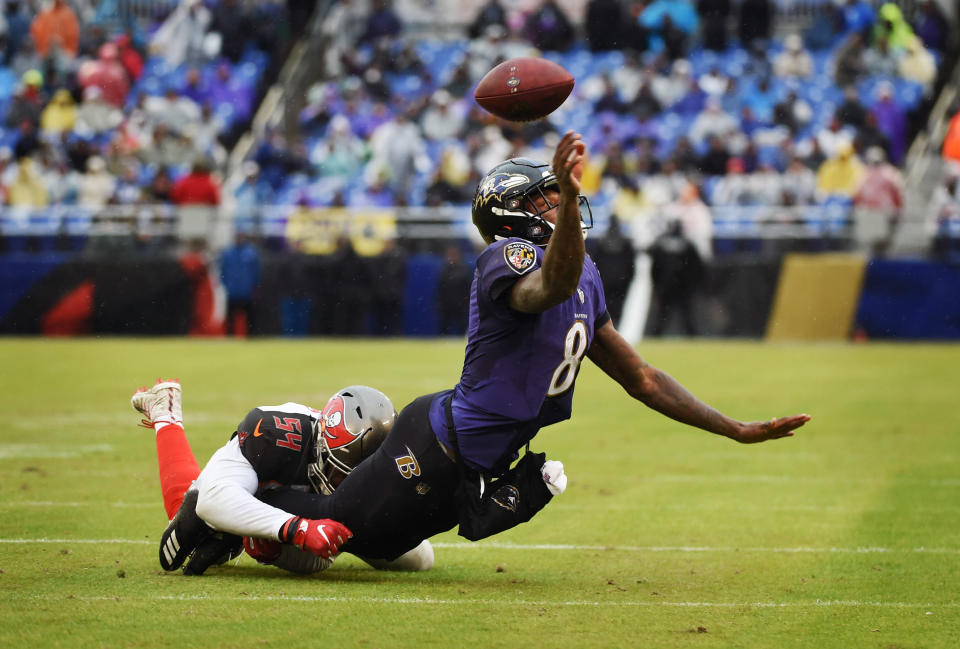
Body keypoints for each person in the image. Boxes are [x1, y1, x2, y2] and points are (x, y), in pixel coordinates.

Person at [240, 132, 809, 565]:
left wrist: (733, 428)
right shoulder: (504, 259)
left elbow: (644, 379)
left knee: (380, 551)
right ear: (512, 212)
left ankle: (276, 498)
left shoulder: (583, 272)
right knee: (332, 527)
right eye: (547, 198)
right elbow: (549, 287)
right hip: (437, 445)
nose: (561, 204)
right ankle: (214, 501)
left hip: (472, 468)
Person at [130, 379, 433, 575]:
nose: (346, 483)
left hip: (297, 506)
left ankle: (249, 522)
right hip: (260, 486)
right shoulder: (274, 435)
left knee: (420, 560)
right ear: (323, 447)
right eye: (340, 472)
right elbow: (211, 500)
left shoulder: (389, 466)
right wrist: (294, 529)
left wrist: (274, 548)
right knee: (191, 517)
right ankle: (166, 413)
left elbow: (321, 559)